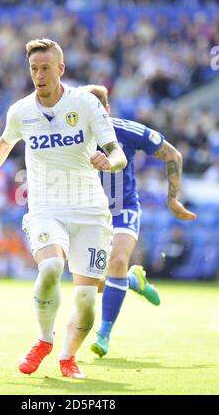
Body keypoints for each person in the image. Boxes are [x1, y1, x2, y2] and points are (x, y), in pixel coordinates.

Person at [0, 39, 127, 379]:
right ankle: (43, 340)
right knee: (51, 266)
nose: (39, 75)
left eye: (46, 68)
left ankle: (69, 358)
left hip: (90, 212)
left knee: (85, 299)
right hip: (45, 208)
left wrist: (107, 161)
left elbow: (118, 153)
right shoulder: (21, 111)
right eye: (34, 69)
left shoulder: (85, 104)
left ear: (61, 69)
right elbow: (4, 143)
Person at [82, 85, 197, 357]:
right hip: (88, 214)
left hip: (123, 209)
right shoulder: (71, 137)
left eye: (98, 110)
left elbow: (172, 154)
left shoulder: (128, 131)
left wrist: (172, 199)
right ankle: (134, 281)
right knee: (95, 284)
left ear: (107, 110)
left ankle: (104, 334)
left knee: (118, 261)